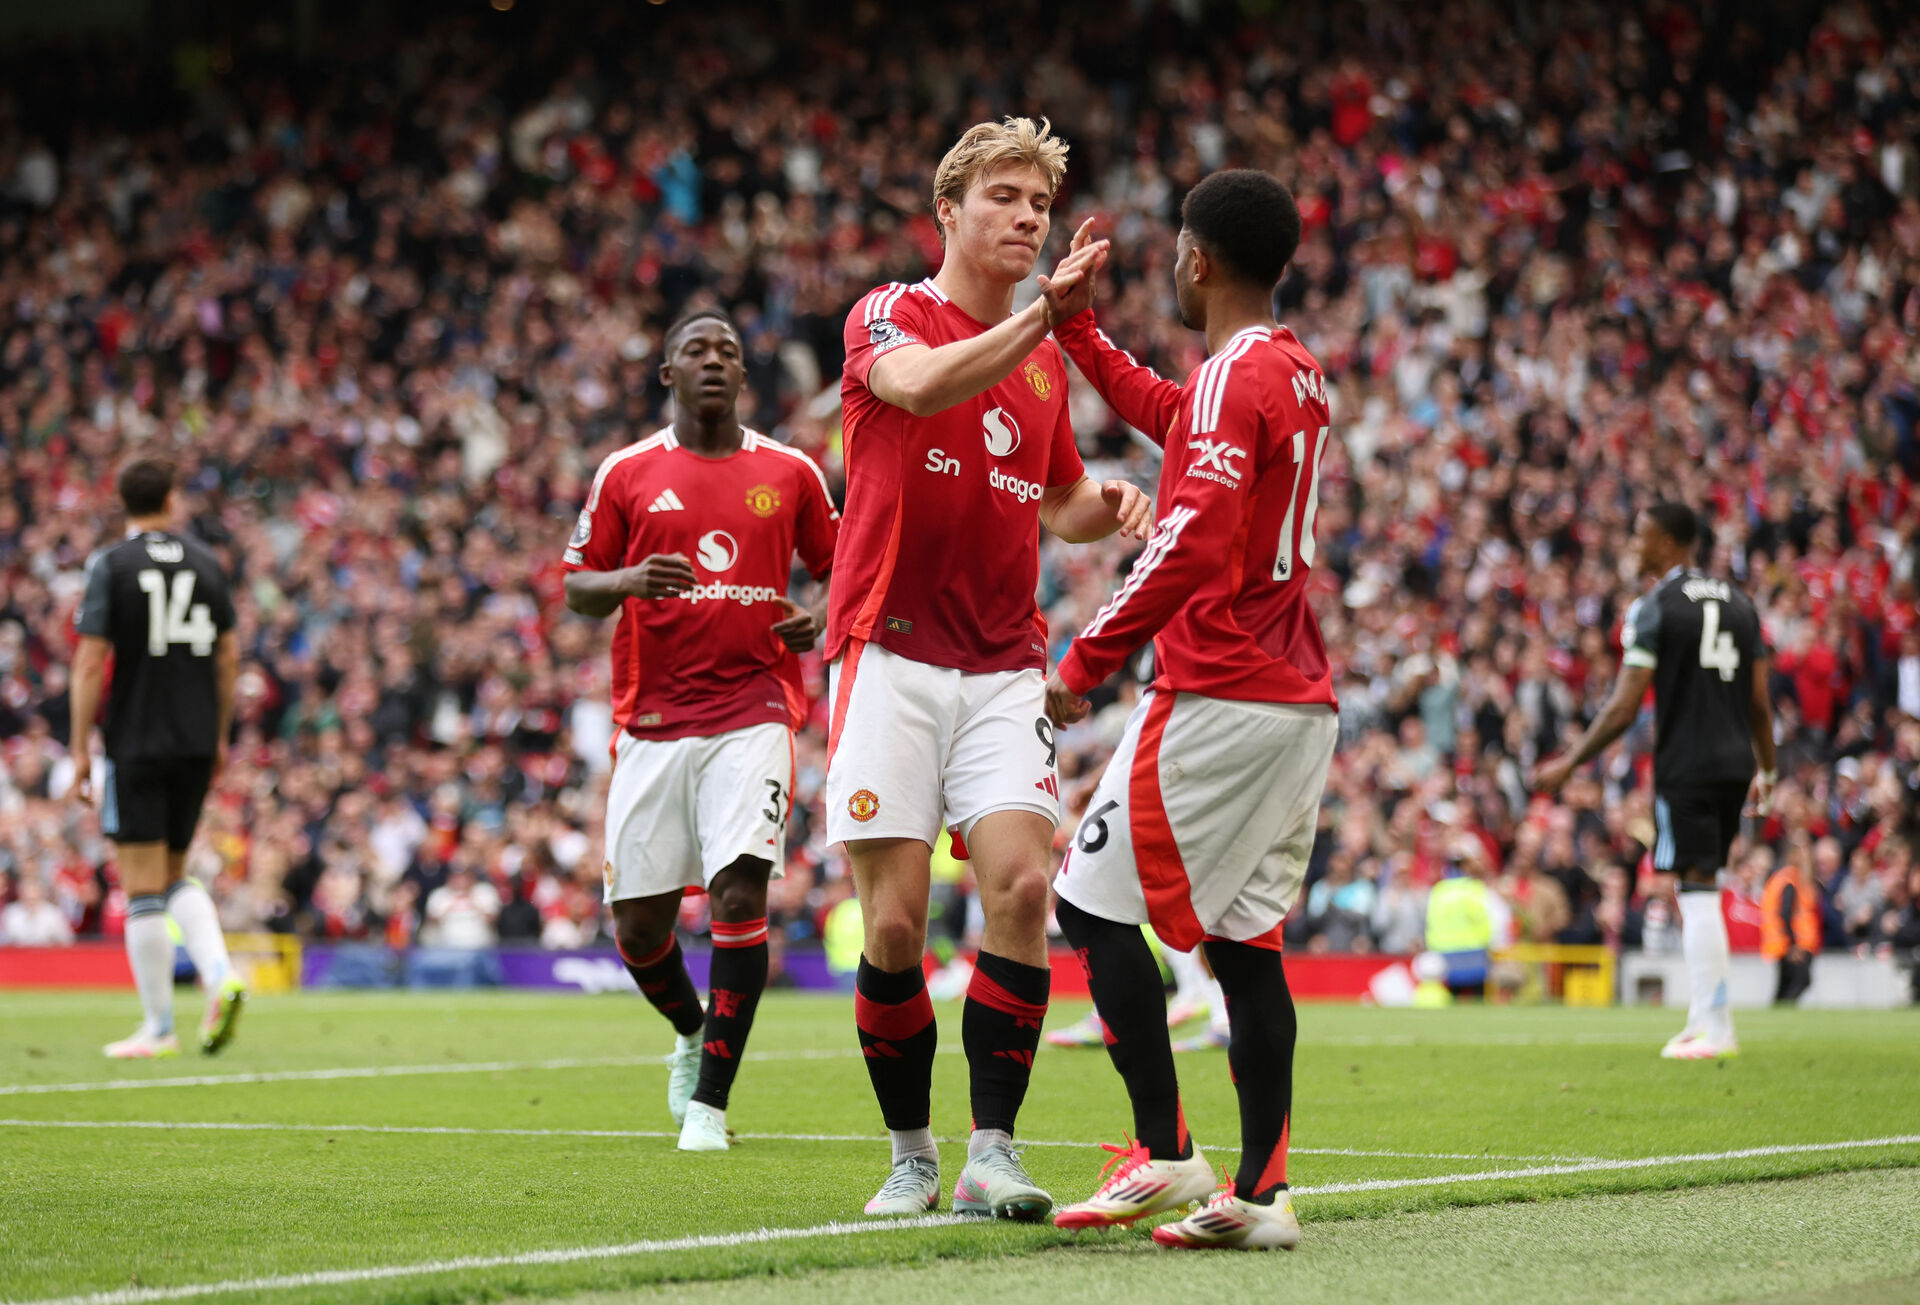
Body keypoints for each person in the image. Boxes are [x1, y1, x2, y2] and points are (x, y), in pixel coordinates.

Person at [827, 116, 1151, 1220]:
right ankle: (911, 1154)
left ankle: (991, 1151)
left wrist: (1101, 503)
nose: (1025, 218)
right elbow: (917, 388)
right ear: (950, 211)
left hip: (1004, 663)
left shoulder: (1046, 367)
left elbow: (1056, 500)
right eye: (1004, 198)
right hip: (891, 653)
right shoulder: (890, 314)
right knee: (895, 927)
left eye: (1039, 206)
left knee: (1020, 885)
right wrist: (1038, 326)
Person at [1040, 168, 1335, 1251]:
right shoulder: (1293, 372)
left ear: (1199, 260)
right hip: (1299, 699)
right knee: (1246, 941)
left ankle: (1164, 1150)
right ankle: (1261, 1198)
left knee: (1088, 902)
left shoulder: (1232, 374)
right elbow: (1178, 420)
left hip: (1219, 689)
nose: (1170, 262)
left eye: (1175, 248)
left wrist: (1088, 659)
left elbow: (1197, 534)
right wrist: (1080, 336)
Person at [562, 310, 839, 1153]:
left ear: (743, 376)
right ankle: (689, 1031)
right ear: (667, 374)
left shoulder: (789, 472)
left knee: (738, 895)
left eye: (728, 351)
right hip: (651, 721)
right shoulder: (628, 473)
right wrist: (629, 577)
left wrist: (817, 619)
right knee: (639, 929)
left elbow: (846, 572)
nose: (713, 361)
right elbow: (577, 587)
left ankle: (711, 1105)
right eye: (696, 350)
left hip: (753, 710)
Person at [1533, 503, 1775, 1060]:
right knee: (1702, 881)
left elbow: (1623, 707)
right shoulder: (1741, 603)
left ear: (1670, 542)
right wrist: (1769, 768)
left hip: (1687, 764)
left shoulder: (1654, 606)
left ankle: (1717, 1027)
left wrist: (1569, 762)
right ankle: (1701, 1018)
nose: (1635, 542)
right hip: (1737, 762)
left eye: (1642, 534)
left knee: (1696, 886)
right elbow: (1760, 704)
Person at [69, 458, 246, 1059]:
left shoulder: (111, 565)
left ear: (124, 503)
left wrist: (78, 750)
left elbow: (91, 661)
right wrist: (220, 735)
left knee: (141, 885)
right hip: (196, 740)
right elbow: (228, 657)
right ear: (172, 500)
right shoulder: (207, 562)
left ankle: (160, 1027)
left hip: (137, 740)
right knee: (173, 873)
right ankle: (219, 973)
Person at [1760, 841, 1820, 1004]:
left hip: (1781, 942)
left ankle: (1777, 1013)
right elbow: (1785, 913)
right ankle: (1783, 1009)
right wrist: (1793, 944)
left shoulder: (1779, 878)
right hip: (1792, 943)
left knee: (1785, 984)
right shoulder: (1790, 880)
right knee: (1801, 980)